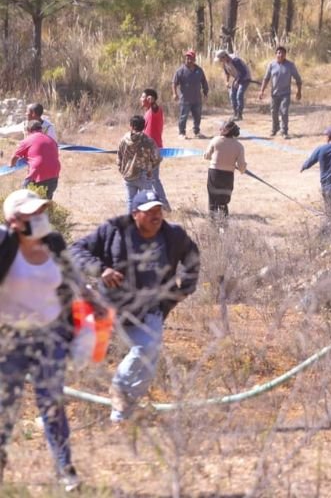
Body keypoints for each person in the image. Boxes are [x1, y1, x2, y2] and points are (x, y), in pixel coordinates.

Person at [70, 189, 200, 423]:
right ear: (134, 214)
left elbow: (193, 258)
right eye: (149, 212)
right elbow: (75, 250)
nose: (156, 216)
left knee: (147, 356)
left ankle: (121, 411)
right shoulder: (113, 231)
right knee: (78, 357)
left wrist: (183, 290)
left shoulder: (173, 235)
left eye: (158, 210)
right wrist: (101, 270)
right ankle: (59, 408)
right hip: (110, 306)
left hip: (150, 309)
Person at [0, 190, 94, 491]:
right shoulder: (3, 244)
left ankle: (65, 470)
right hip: (10, 339)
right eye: (32, 214)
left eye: (41, 211)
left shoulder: (54, 242)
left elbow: (71, 279)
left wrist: (89, 299)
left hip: (50, 335)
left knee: (52, 403)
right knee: (5, 407)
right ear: (14, 220)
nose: (40, 218)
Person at [203, 119, 247, 217]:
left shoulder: (215, 140)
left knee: (212, 201)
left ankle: (212, 223)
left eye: (221, 128)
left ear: (227, 130)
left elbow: (207, 156)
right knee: (223, 202)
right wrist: (243, 168)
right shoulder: (239, 146)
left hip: (214, 174)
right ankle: (224, 223)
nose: (219, 129)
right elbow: (241, 167)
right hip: (228, 176)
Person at [118, 115, 162, 212]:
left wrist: (122, 170)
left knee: (130, 201)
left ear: (131, 125)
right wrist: (150, 169)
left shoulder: (124, 140)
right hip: (144, 175)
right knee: (147, 202)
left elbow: (119, 157)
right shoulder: (148, 141)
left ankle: (130, 220)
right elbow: (156, 158)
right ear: (144, 126)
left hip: (128, 175)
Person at [258, 46, 302, 138]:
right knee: (274, 112)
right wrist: (261, 91)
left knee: (284, 112)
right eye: (278, 53)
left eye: (282, 53)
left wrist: (299, 91)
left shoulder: (290, 65)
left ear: (285, 55)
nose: (280, 55)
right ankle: (275, 128)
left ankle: (284, 131)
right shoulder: (271, 65)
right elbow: (266, 78)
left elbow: (298, 79)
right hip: (274, 94)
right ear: (276, 54)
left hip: (285, 94)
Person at [11, 120, 61, 199]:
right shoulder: (51, 140)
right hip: (54, 173)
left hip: (38, 173)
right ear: (41, 129)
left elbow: (14, 158)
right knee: (45, 201)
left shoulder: (27, 140)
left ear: (28, 130)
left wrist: (11, 166)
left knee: (25, 199)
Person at [140, 88, 171, 211]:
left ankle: (164, 206)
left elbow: (156, 109)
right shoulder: (147, 113)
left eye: (143, 97)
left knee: (153, 179)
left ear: (149, 99)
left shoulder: (154, 111)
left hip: (153, 152)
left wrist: (153, 103)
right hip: (147, 151)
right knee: (149, 179)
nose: (141, 99)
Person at [172, 50, 209, 139]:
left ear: (194, 59)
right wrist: (174, 93)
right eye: (187, 58)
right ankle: (181, 133)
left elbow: (204, 82)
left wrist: (205, 92)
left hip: (197, 99)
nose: (188, 60)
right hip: (185, 99)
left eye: (190, 58)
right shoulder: (181, 71)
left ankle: (197, 132)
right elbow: (174, 83)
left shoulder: (199, 70)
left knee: (197, 116)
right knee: (183, 117)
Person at [214, 49, 252, 121]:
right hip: (237, 78)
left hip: (245, 78)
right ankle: (235, 113)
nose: (220, 61)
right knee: (232, 94)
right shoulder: (224, 63)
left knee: (239, 94)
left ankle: (239, 115)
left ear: (224, 57)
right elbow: (227, 73)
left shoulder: (235, 60)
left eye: (220, 59)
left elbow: (243, 72)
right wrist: (227, 81)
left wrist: (237, 81)